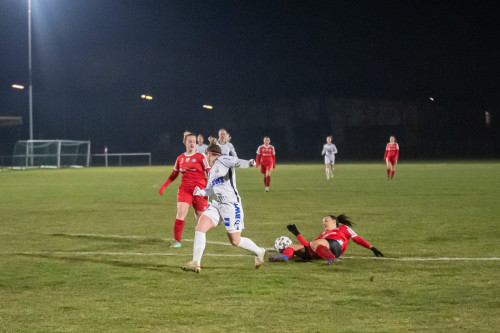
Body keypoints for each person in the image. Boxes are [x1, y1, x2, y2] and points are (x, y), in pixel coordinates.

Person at [181, 137, 266, 273]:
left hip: (231, 205)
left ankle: (259, 251)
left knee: (235, 240)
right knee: (200, 227)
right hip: (216, 204)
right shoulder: (212, 171)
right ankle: (195, 262)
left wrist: (249, 163)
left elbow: (237, 162)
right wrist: (200, 192)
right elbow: (210, 189)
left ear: (209, 154)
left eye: (206, 155)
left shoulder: (223, 160)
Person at [158, 131, 210, 248]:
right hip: (184, 189)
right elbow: (174, 174)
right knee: (180, 213)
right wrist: (163, 187)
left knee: (201, 219)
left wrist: (211, 189)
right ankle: (177, 241)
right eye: (190, 142)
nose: (192, 144)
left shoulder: (201, 156)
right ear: (184, 142)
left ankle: (209, 207)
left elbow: (209, 171)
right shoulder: (180, 158)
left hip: (199, 190)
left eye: (194, 142)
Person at [268, 214, 384, 264]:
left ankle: (332, 259)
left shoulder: (343, 228)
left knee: (316, 243)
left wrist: (372, 248)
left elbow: (357, 239)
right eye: (323, 222)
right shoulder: (322, 235)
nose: (324, 223)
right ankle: (283, 257)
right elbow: (308, 245)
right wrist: (297, 233)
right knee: (292, 246)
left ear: (334, 221)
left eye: (326, 221)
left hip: (335, 246)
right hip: (321, 248)